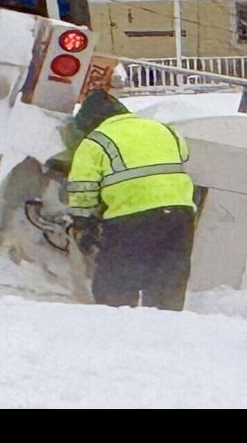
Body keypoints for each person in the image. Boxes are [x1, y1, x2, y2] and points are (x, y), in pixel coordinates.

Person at [64, 91, 197, 311]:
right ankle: (166, 328)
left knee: (117, 283)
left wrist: (83, 222)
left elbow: (83, 186)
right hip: (180, 214)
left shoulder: (95, 141)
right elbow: (182, 156)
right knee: (168, 278)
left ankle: (117, 330)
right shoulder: (163, 129)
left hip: (131, 216)